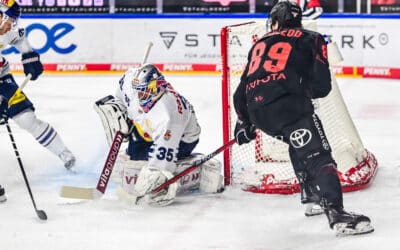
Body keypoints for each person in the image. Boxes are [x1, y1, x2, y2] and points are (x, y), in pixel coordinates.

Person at [233, 1, 373, 236]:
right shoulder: (311, 37)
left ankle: (311, 196)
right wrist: (301, 91)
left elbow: (240, 92)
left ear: (275, 21)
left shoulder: (260, 42)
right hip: (290, 108)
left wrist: (244, 122)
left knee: (295, 141)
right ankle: (337, 214)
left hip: (257, 111)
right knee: (319, 156)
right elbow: (322, 86)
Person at [94, 64, 224, 206]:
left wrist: (156, 177)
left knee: (151, 174)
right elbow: (122, 91)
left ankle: (195, 170)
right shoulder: (130, 81)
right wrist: (121, 111)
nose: (140, 97)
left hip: (182, 138)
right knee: (133, 158)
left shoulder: (169, 116)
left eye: (145, 92)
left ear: (158, 88)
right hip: (149, 128)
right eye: (139, 92)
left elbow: (162, 161)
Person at [0, 1, 76, 174]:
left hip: (2, 79)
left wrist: (29, 56)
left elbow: (19, 39)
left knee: (26, 118)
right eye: (9, 20)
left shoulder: (6, 30)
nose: (11, 25)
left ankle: (64, 154)